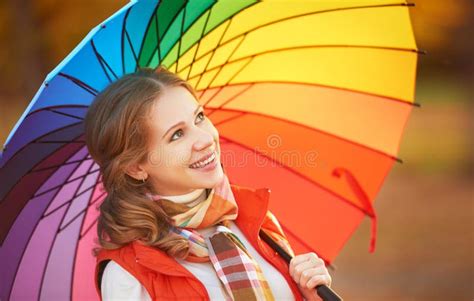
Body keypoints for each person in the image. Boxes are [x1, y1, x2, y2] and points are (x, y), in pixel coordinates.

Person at [84, 66, 332, 301]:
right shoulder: (127, 275)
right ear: (136, 167)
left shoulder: (253, 218)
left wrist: (309, 297)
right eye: (177, 135)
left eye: (199, 117)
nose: (204, 139)